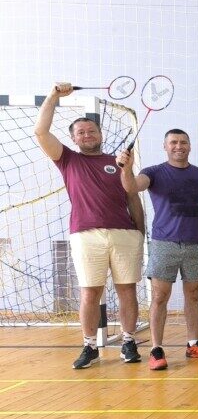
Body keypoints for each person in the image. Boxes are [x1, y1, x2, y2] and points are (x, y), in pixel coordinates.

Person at [34, 83, 145, 369]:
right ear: (74, 138)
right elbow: (41, 132)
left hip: (125, 234)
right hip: (86, 236)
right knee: (90, 292)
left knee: (127, 290)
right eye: (81, 132)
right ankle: (90, 346)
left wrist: (140, 232)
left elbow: (132, 197)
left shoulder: (118, 162)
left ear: (100, 134)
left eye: (91, 130)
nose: (87, 135)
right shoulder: (67, 160)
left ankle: (128, 341)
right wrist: (54, 95)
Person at [117, 129, 198, 370]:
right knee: (159, 297)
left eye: (183, 142)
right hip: (164, 245)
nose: (178, 146)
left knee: (193, 294)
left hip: (196, 244)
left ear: (190, 146)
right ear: (165, 146)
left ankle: (193, 344)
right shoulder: (153, 172)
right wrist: (126, 168)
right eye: (173, 142)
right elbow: (132, 187)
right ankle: (156, 349)